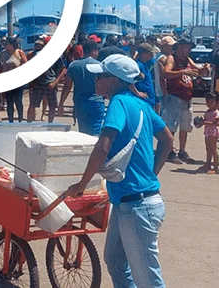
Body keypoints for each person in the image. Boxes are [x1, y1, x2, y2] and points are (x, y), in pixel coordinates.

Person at [51, 54, 174, 288]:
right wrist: (151, 174)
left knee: (149, 279)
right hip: (130, 202)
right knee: (116, 261)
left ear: (114, 80)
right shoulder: (140, 104)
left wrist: (82, 184)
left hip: (137, 206)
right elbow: (167, 140)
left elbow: (103, 144)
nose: (95, 80)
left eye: (100, 75)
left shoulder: (118, 102)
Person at [162, 38, 204, 164]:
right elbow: (166, 73)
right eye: (186, 47)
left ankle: (182, 150)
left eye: (189, 48)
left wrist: (204, 69)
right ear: (180, 47)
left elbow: (197, 69)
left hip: (187, 97)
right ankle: (169, 151)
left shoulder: (187, 59)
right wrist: (183, 72)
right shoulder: (171, 58)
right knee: (171, 125)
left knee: (185, 126)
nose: (189, 50)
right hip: (175, 97)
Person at [59, 39, 105, 136]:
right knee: (96, 130)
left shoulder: (73, 65)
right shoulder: (99, 65)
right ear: (94, 51)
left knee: (83, 132)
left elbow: (67, 86)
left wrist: (61, 103)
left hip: (80, 102)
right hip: (96, 102)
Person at [28, 38, 67, 123]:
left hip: (50, 84)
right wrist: (32, 82)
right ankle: (29, 124)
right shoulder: (35, 54)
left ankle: (50, 125)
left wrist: (55, 82)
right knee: (32, 105)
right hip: (38, 84)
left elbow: (63, 69)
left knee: (52, 106)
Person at [2, 36, 26, 122]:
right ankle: (10, 120)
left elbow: (25, 64)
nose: (6, 46)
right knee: (9, 101)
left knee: (18, 100)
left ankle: (20, 118)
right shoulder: (3, 53)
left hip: (18, 79)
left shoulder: (19, 52)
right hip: (8, 80)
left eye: (7, 44)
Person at [200, 92, 219, 174]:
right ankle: (208, 164)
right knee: (208, 148)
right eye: (207, 102)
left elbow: (217, 123)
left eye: (211, 102)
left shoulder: (216, 113)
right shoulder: (207, 111)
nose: (209, 104)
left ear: (216, 103)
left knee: (213, 149)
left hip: (213, 132)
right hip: (207, 132)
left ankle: (216, 167)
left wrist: (205, 122)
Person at [152, 37, 176, 115]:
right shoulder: (163, 58)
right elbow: (163, 78)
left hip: (162, 91)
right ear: (163, 46)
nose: (172, 48)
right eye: (170, 46)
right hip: (163, 92)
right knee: (166, 116)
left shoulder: (160, 56)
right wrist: (165, 93)